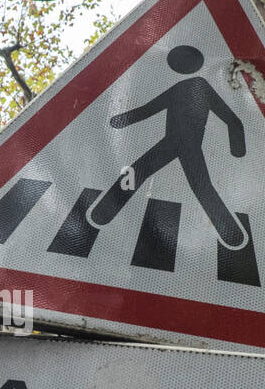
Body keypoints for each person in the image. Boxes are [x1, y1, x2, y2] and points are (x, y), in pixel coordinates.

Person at [89, 45, 249, 250]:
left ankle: (231, 233)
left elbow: (230, 117)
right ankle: (103, 212)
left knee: (200, 185)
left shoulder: (201, 86)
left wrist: (238, 148)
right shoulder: (178, 88)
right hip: (171, 142)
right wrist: (121, 120)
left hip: (189, 145)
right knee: (141, 172)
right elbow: (149, 109)